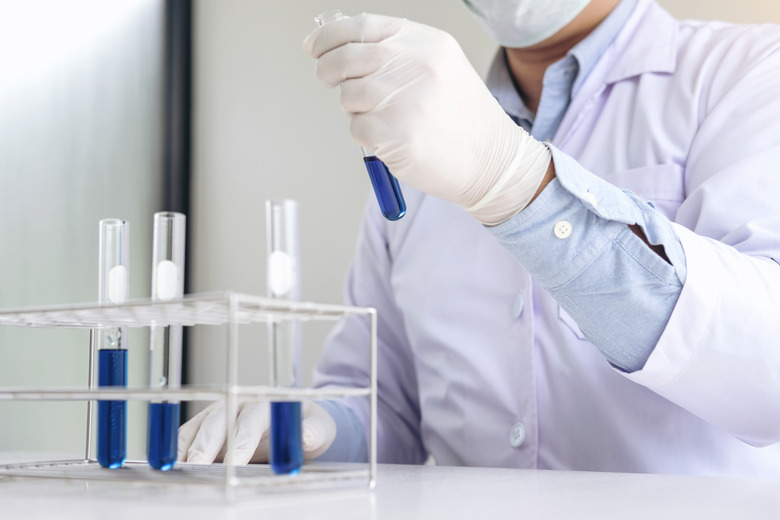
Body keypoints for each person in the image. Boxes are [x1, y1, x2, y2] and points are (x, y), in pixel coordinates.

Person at [179, 0, 780, 476]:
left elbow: (766, 369)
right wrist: (321, 427)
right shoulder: (421, 133)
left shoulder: (746, 72)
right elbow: (388, 405)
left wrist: (515, 183)